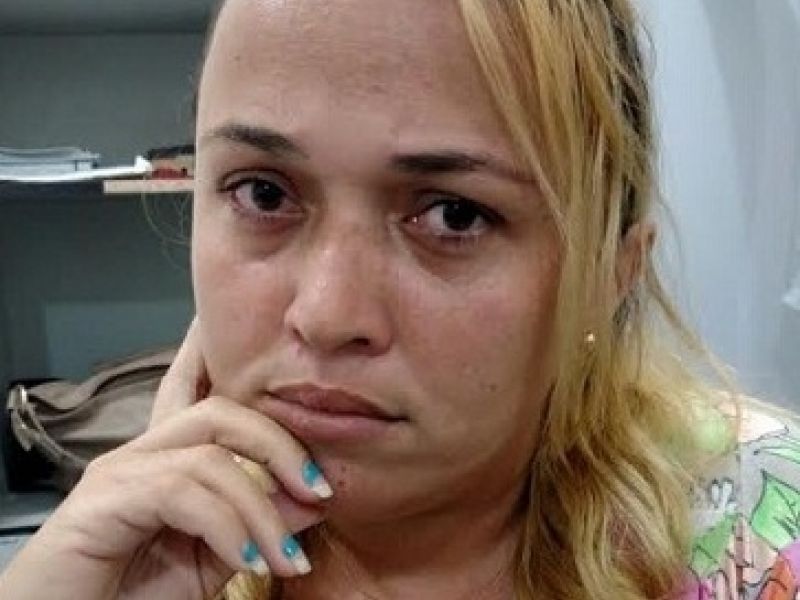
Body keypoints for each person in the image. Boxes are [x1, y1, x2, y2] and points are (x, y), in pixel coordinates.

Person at [1, 0, 798, 598]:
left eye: (454, 215)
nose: (325, 315)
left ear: (608, 278)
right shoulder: (130, 559)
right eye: (263, 192)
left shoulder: (759, 533)